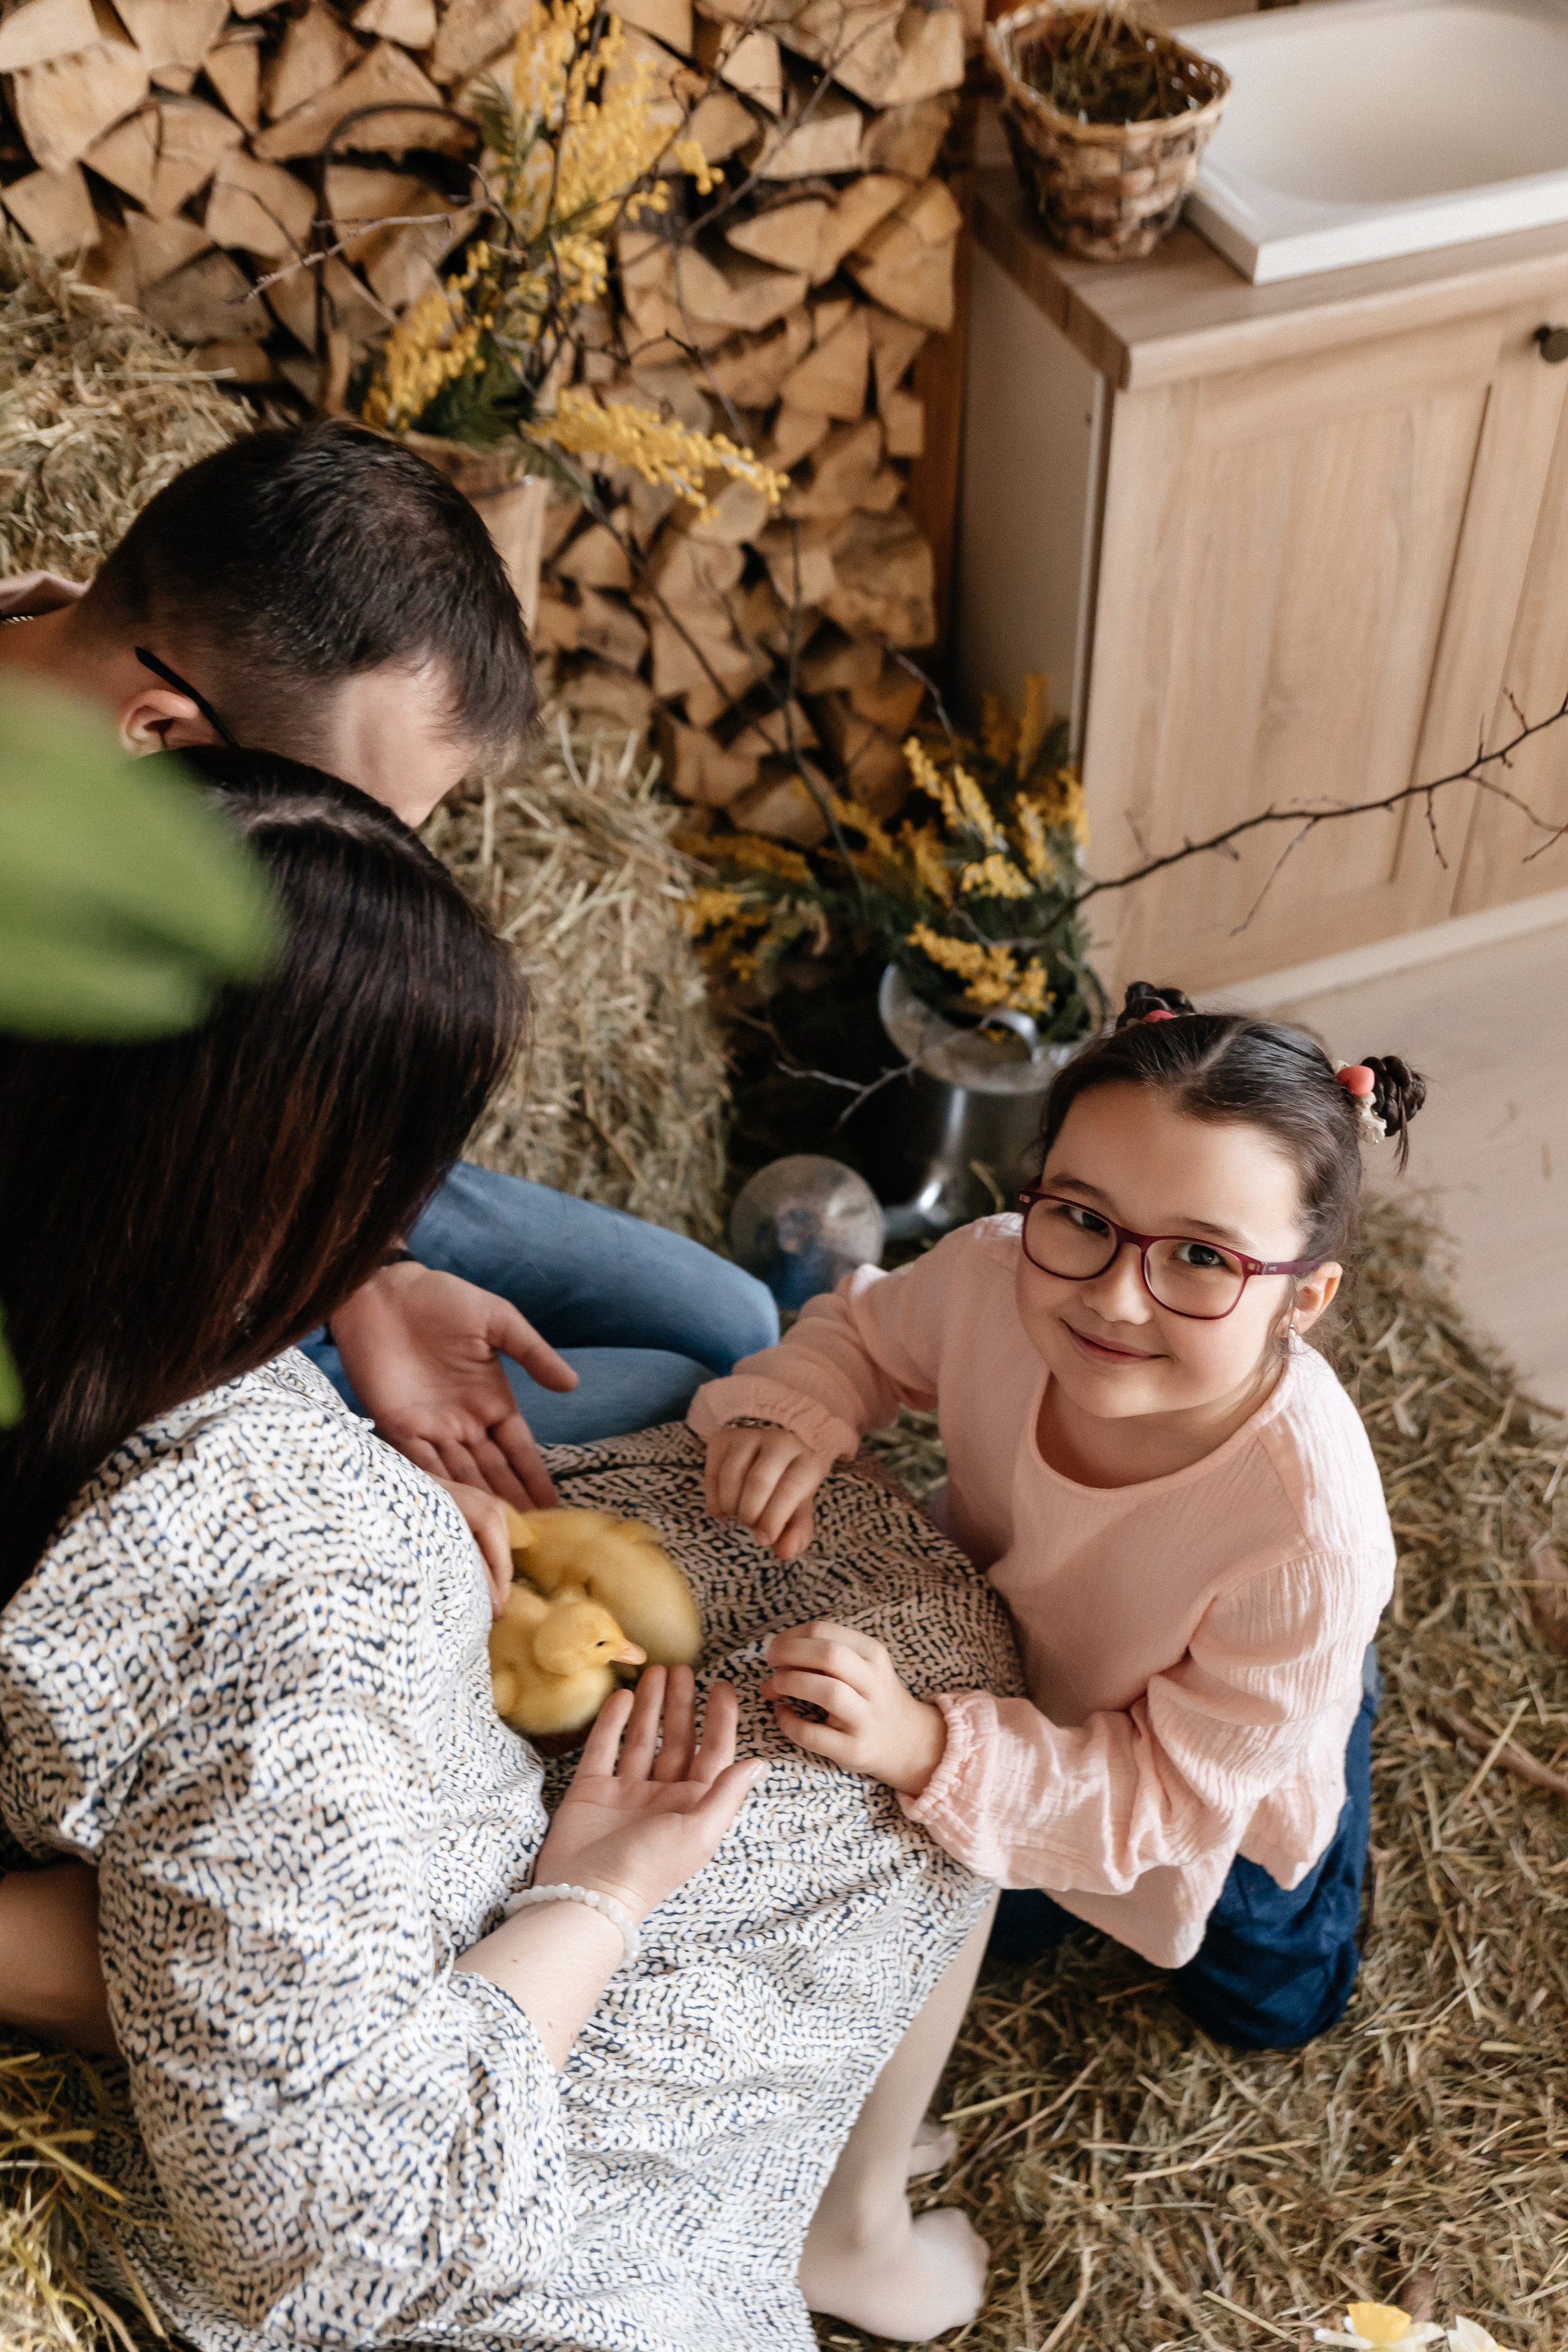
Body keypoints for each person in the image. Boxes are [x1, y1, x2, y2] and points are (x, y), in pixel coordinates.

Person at [0, 750, 1003, 2350]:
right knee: (912, 1800)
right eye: (389, 1195)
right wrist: (599, 1891)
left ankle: (846, 2209)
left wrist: (391, 1479)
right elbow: (343, 2239)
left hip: (371, 1729)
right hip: (457, 1943)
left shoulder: (104, 1317)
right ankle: (840, 2232)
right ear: (268, 1193)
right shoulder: (262, 1575)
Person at [0, 420, 778, 1502]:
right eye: (350, 826)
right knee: (676, 1390)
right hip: (147, 1255)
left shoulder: (101, 689)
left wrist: (370, 1264)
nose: (391, 889)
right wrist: (351, 1477)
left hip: (289, 1149)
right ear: (169, 740)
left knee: (739, 1328)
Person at [695, 982, 1428, 2076]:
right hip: (1021, 1663)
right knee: (954, 1905)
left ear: (1304, 1300)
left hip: (1196, 1775)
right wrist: (793, 1409)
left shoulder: (1309, 1538)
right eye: (1084, 1218)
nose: (1118, 1300)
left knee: (1267, 1996)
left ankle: (1333, 1712)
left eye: (1202, 1258)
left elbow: (1168, 1801)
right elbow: (861, 1334)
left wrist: (930, 1748)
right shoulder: (996, 1274)